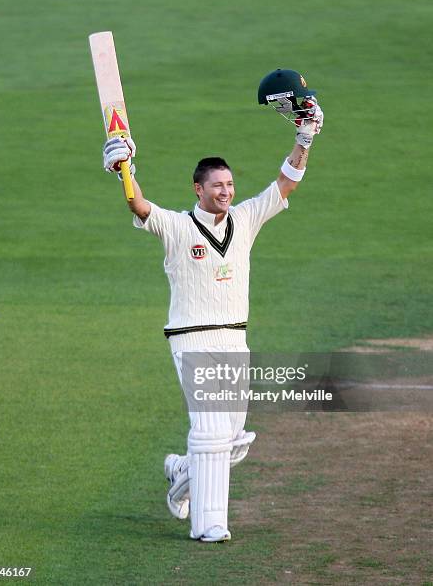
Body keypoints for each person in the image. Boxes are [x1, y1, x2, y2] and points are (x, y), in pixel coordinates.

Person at [102, 69, 323, 543]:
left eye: (229, 184)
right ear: (197, 189)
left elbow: (284, 186)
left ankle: (182, 472)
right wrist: (125, 169)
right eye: (216, 186)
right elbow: (139, 207)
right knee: (208, 431)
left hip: (234, 337)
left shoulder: (244, 220)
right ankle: (209, 525)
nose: (226, 191)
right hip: (192, 337)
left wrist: (304, 137)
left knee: (233, 439)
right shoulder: (178, 227)